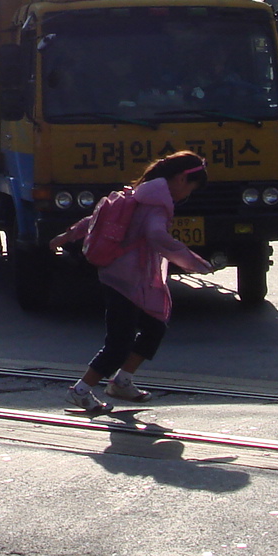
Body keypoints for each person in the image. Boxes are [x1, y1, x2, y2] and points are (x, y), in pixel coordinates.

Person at [50, 151, 215, 413]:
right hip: (125, 280)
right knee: (119, 343)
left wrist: (67, 235)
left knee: (154, 327)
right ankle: (80, 390)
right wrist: (194, 262)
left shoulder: (138, 194)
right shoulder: (157, 205)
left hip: (122, 277)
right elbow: (156, 235)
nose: (187, 195)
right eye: (191, 188)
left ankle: (122, 381)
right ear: (182, 179)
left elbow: (96, 220)